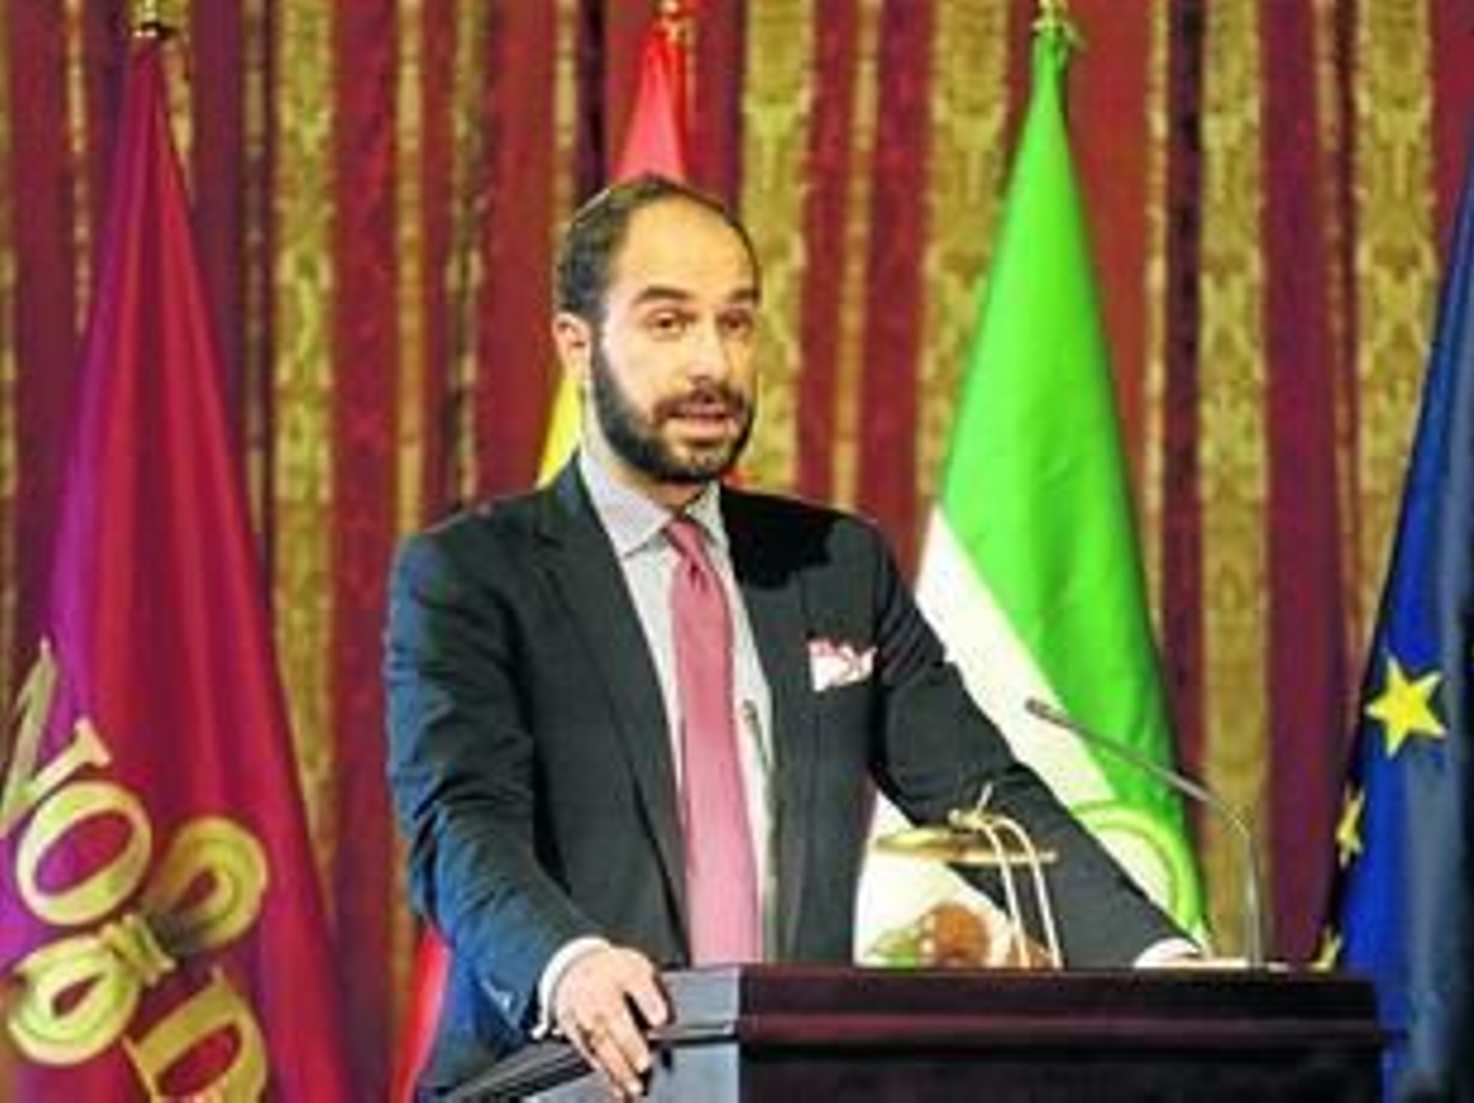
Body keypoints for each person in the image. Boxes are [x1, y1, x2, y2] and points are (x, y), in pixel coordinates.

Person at [385, 175, 1195, 1099]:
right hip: (561, 1078)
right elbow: (460, 827)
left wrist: (1159, 959)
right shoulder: (473, 574)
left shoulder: (834, 565)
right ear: (578, 345)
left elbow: (983, 796)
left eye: (735, 323)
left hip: (785, 1077)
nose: (712, 364)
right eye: (667, 323)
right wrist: (568, 963)